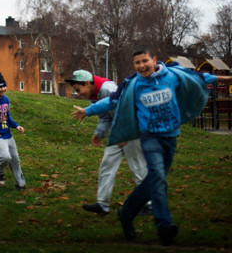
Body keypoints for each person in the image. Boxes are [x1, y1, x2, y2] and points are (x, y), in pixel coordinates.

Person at [71, 45, 232, 247]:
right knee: (157, 178)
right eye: (137, 62)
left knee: (153, 181)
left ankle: (126, 213)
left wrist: (226, 79)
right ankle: (164, 226)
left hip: (170, 137)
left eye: (145, 61)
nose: (141, 65)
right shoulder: (133, 85)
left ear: (154, 60)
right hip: (149, 138)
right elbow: (112, 101)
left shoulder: (171, 76)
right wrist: (88, 110)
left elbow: (199, 78)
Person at [65, 69, 151, 216]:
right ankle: (102, 204)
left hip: (131, 130)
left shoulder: (106, 89)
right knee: (107, 164)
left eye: (78, 90)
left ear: (87, 83)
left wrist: (125, 133)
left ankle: (150, 204)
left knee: (138, 166)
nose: (78, 94)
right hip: (119, 133)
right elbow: (105, 117)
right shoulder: (95, 94)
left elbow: (125, 109)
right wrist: (99, 133)